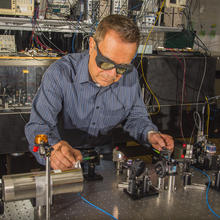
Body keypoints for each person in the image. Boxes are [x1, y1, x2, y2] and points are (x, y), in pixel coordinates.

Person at [25, 14, 174, 170]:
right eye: (105, 63)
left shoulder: (130, 77)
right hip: (66, 156)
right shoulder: (60, 73)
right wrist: (54, 150)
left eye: (122, 67)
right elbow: (39, 125)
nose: (112, 75)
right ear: (92, 46)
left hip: (105, 158)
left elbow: (135, 117)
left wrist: (150, 134)